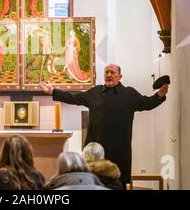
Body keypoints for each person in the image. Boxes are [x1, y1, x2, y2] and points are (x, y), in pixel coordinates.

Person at [39, 64, 169, 188]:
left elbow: (146, 103)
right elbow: (74, 98)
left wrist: (159, 96)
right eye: (106, 72)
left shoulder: (129, 94)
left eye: (112, 72)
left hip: (120, 150)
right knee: (92, 182)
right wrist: (53, 91)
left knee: (120, 182)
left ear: (120, 76)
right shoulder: (95, 92)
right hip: (96, 149)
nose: (109, 75)